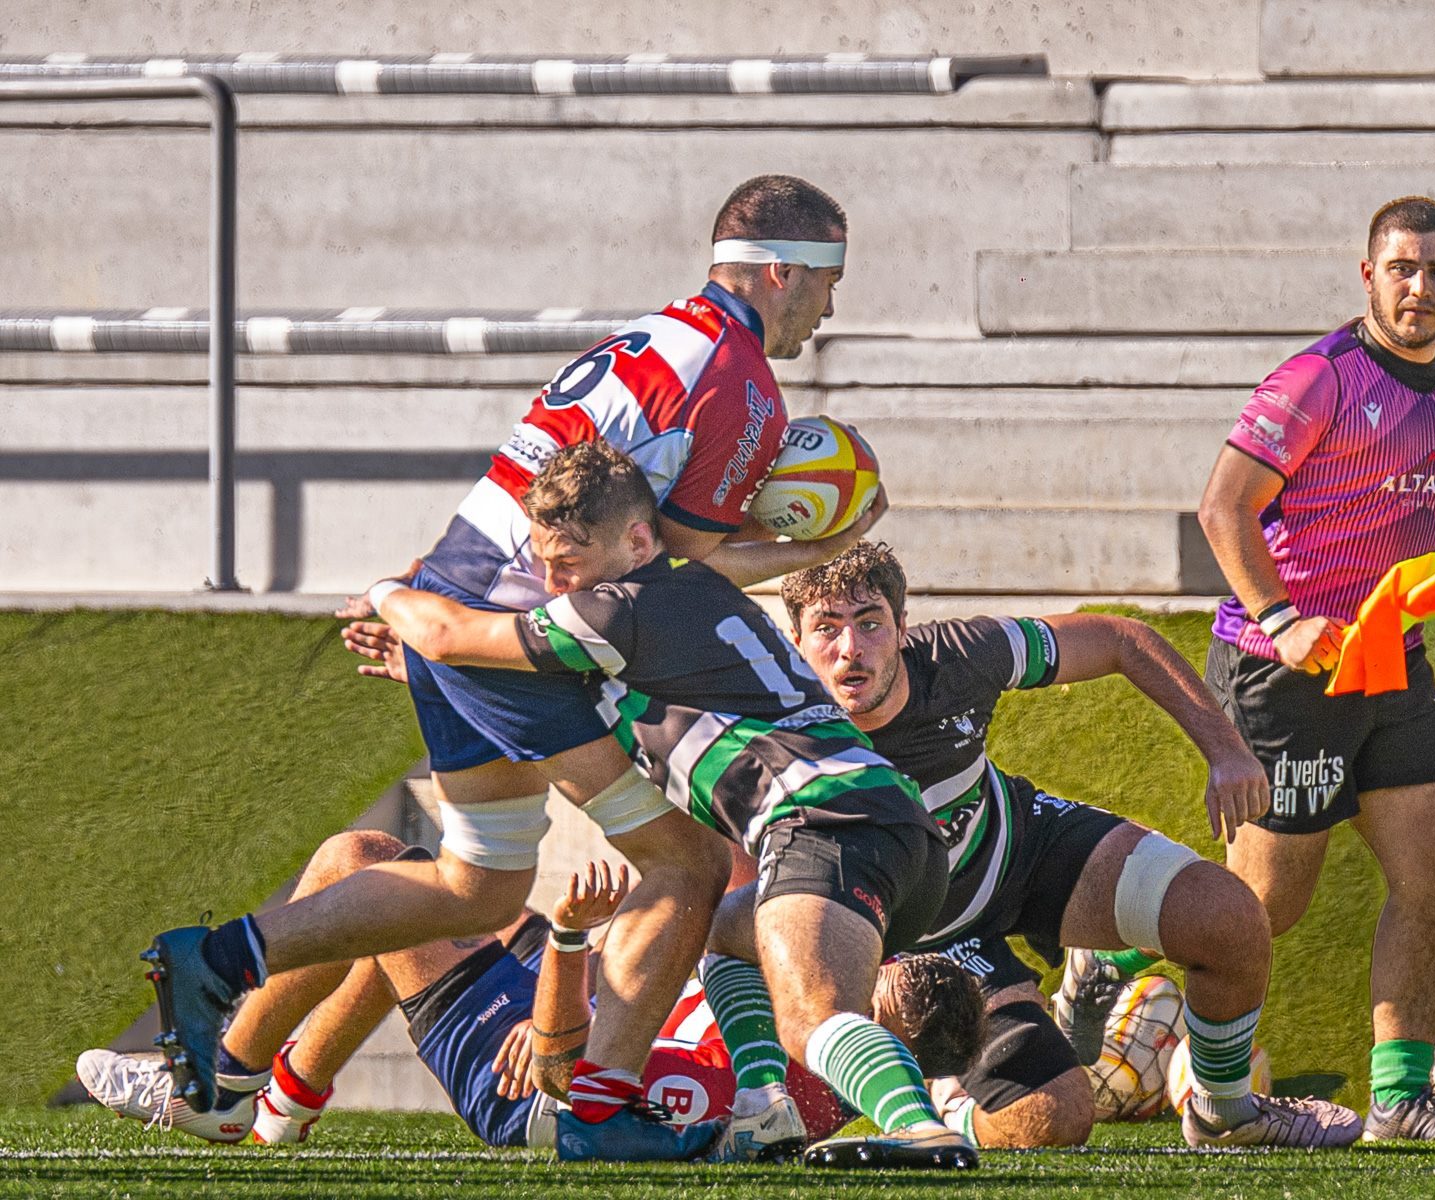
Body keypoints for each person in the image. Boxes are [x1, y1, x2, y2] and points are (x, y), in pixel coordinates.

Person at [135, 174, 883, 1166]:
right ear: (787, 271)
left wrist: (429, 602)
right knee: (690, 864)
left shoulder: (649, 337)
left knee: (475, 889)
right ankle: (599, 1116)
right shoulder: (739, 382)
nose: (831, 312)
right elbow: (672, 577)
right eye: (829, 287)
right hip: (518, 635)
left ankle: (219, 958)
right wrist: (812, 539)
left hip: (462, 590)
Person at [347, 442, 978, 1169]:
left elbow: (448, 631)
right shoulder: (693, 585)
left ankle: (922, 1128)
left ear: (637, 541)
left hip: (822, 823)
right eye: (544, 560)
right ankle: (763, 1108)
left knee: (810, 1017)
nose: (549, 581)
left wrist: (386, 591)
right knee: (718, 929)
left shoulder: (611, 613)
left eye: (568, 561)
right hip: (897, 829)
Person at [697, 540, 1364, 1151]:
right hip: (919, 932)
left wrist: (1224, 750)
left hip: (1017, 847)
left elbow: (1119, 640)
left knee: (1230, 919)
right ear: (795, 642)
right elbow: (749, 875)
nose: (851, 649)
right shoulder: (770, 720)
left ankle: (1225, 1113)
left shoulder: (962, 652)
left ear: (903, 628)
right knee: (1056, 1121)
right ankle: (942, 1100)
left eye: (870, 623)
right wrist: (866, 959)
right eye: (827, 629)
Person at [1195, 197, 1435, 1142]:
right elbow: (1223, 507)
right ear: (1368, 275)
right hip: (1281, 670)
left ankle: (1401, 1103)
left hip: (1391, 660)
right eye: (1403, 268)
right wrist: (1282, 619)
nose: (1420, 287)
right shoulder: (1317, 378)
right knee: (1262, 909)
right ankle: (1148, 1017)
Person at [85, 836, 983, 1154]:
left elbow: (568, 1079)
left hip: (521, 1082)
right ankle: (279, 1101)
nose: (846, 973)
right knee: (388, 904)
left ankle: (222, 1085)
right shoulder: (786, 1044)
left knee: (357, 869)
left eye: (871, 988)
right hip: (565, 1001)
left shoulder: (746, 1100)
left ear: (881, 1046)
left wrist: (565, 946)